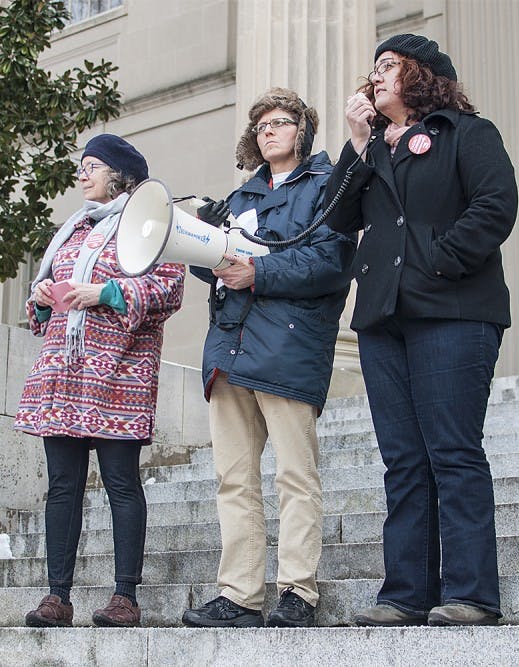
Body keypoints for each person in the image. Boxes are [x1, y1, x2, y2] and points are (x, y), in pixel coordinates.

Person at [324, 35, 518, 627]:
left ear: (422, 74)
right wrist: (357, 146)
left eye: (388, 66)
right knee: (403, 459)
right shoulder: (372, 149)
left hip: (454, 312)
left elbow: (495, 205)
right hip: (384, 320)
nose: (375, 76)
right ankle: (406, 592)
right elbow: (336, 218)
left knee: (452, 451)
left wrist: (437, 261)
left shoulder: (467, 133)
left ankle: (470, 592)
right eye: (374, 68)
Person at [180, 88, 355, 628]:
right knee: (234, 477)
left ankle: (298, 591)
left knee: (295, 476)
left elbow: (330, 262)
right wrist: (200, 242)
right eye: (261, 126)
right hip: (231, 346)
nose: (269, 132)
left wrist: (259, 271)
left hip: (289, 346)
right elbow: (210, 268)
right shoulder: (239, 198)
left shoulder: (330, 187)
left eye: (281, 122)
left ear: (303, 129)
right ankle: (239, 595)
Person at [15, 134, 185, 628]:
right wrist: (44, 296)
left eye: (92, 166)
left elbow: (168, 287)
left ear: (119, 174)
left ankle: (125, 597)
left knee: (120, 482)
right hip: (65, 373)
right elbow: (41, 305)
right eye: (82, 166)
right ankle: (56, 596)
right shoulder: (71, 230)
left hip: (119, 373)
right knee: (63, 486)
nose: (82, 174)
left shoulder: (150, 221)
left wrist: (107, 291)